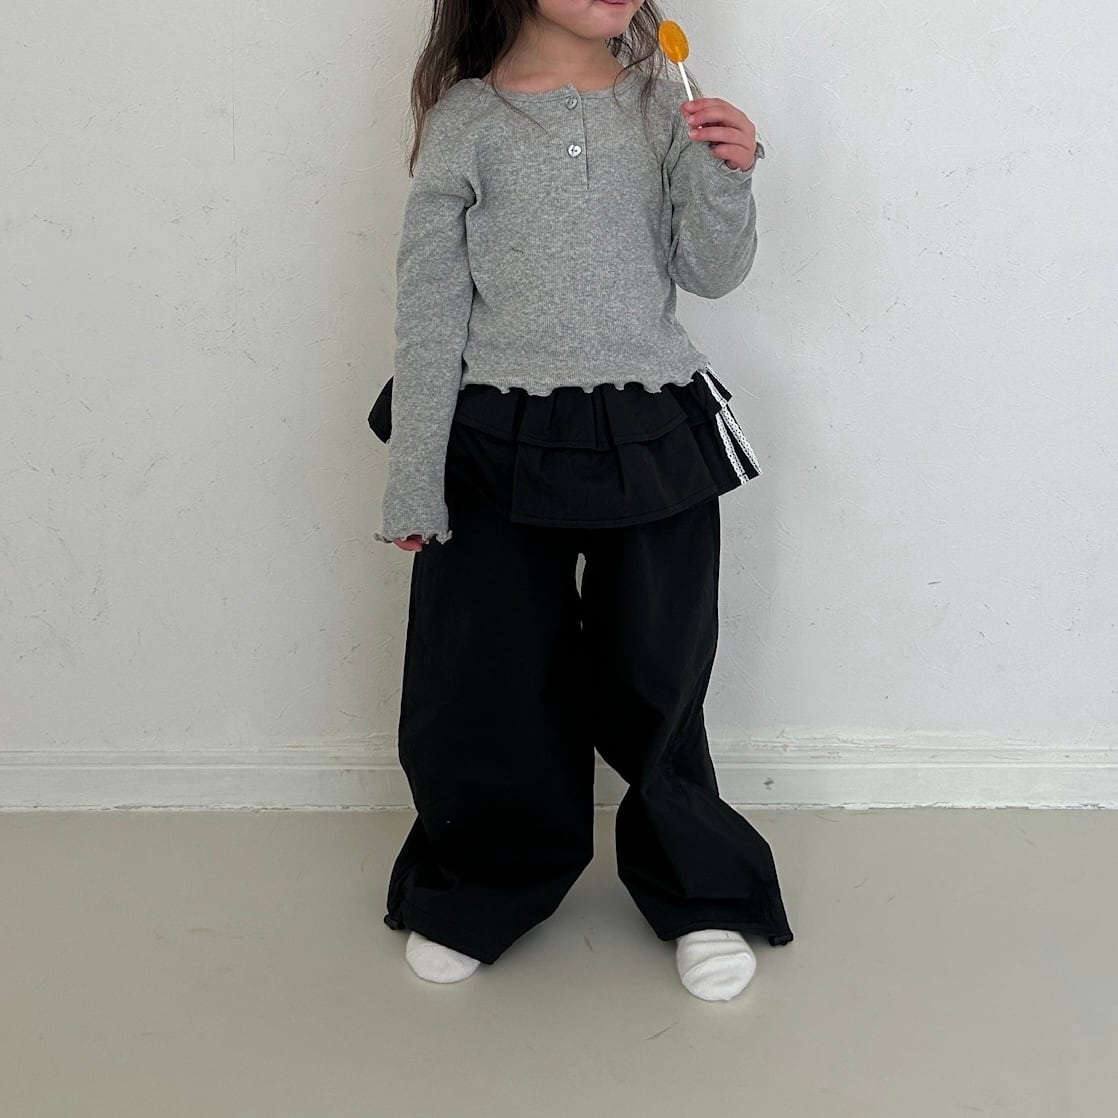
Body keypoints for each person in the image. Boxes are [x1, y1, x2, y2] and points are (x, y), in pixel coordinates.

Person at [367, 0, 793, 1003]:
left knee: (658, 671)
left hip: (648, 430)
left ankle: (697, 889)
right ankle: (482, 884)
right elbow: (430, 312)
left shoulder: (663, 103)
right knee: (488, 673)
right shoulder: (468, 120)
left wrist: (727, 174)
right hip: (493, 436)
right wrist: (414, 473)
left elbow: (711, 272)